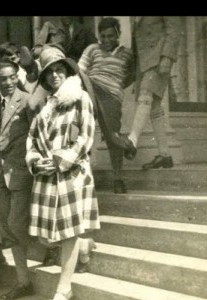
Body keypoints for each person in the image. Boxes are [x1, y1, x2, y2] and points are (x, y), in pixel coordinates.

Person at [25, 46, 100, 300]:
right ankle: (85, 242)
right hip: (47, 177)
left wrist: (65, 159)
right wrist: (35, 161)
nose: (55, 76)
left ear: (67, 72)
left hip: (72, 174)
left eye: (59, 70)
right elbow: (31, 141)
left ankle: (63, 289)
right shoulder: (45, 108)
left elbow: (87, 137)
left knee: (67, 234)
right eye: (49, 73)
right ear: (44, 79)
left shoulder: (79, 98)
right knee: (48, 238)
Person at [0, 59, 37, 300]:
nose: (7, 82)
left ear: (18, 76)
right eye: (2, 78)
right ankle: (22, 281)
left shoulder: (28, 101)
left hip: (22, 174)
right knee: (9, 228)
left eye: (11, 77)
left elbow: (40, 133)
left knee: (17, 225)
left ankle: (25, 279)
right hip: (2, 178)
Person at [78, 17, 135, 194]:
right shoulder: (92, 48)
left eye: (111, 36)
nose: (107, 40)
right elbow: (80, 70)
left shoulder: (127, 53)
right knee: (81, 128)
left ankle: (118, 177)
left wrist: (115, 87)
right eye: (103, 36)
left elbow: (131, 75)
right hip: (92, 88)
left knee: (112, 137)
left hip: (112, 96)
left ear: (118, 34)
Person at [117, 16, 182, 170]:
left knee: (145, 96)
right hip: (143, 60)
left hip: (159, 57)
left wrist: (167, 56)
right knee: (155, 105)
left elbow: (174, 28)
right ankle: (165, 155)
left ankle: (132, 140)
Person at [0, 42, 38, 110]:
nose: (10, 63)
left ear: (18, 57)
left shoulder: (25, 73)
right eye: (7, 60)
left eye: (13, 59)